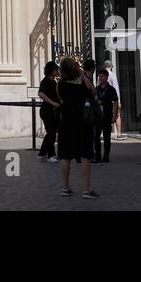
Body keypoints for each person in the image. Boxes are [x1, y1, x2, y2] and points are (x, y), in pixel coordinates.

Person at [57, 57, 99, 198]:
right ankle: (87, 189)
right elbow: (93, 92)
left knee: (65, 156)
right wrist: (82, 74)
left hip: (66, 123)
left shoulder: (61, 84)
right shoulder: (82, 83)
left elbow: (61, 99)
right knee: (85, 155)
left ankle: (65, 187)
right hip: (82, 123)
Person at [37, 60, 61, 162]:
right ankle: (51, 155)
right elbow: (41, 94)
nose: (57, 71)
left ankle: (42, 153)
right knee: (51, 133)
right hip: (47, 111)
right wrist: (53, 103)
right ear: (52, 70)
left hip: (54, 110)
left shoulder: (54, 81)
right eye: (56, 69)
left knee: (51, 132)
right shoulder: (46, 81)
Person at [94, 68, 119, 163]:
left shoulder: (111, 89)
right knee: (96, 137)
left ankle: (106, 155)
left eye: (102, 76)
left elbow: (115, 102)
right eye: (99, 76)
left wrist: (115, 115)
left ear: (107, 77)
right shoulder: (97, 89)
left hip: (107, 115)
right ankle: (98, 155)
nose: (101, 78)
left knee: (107, 137)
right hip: (98, 116)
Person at [104, 59, 123, 136]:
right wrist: (118, 100)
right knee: (117, 115)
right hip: (113, 99)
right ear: (111, 66)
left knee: (105, 115)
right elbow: (116, 87)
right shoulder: (112, 75)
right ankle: (119, 133)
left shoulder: (101, 75)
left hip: (104, 99)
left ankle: (103, 133)